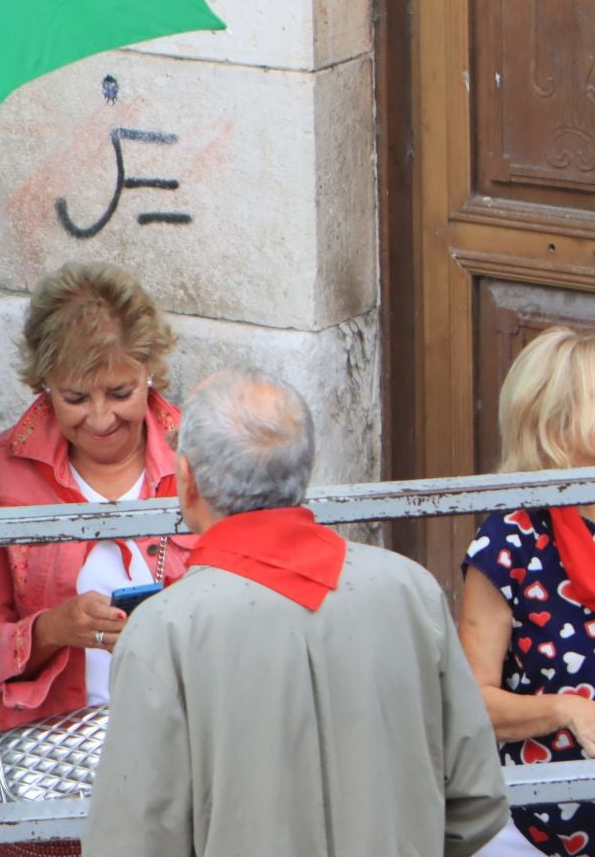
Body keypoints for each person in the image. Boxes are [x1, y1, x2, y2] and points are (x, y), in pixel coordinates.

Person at [84, 368, 508, 857]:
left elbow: (132, 841)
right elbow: (478, 797)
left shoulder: (166, 630)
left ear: (186, 480)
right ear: (304, 470)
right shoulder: (410, 589)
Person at [0, 262, 193, 839]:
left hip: (181, 754)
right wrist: (49, 630)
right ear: (42, 383)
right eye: (76, 397)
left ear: (151, 368)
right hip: (43, 766)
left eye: (121, 392)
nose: (101, 418)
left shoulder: (200, 458)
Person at [459, 327, 595, 857]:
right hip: (533, 828)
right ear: (560, 428)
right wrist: (568, 711)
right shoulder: (509, 540)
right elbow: (474, 701)